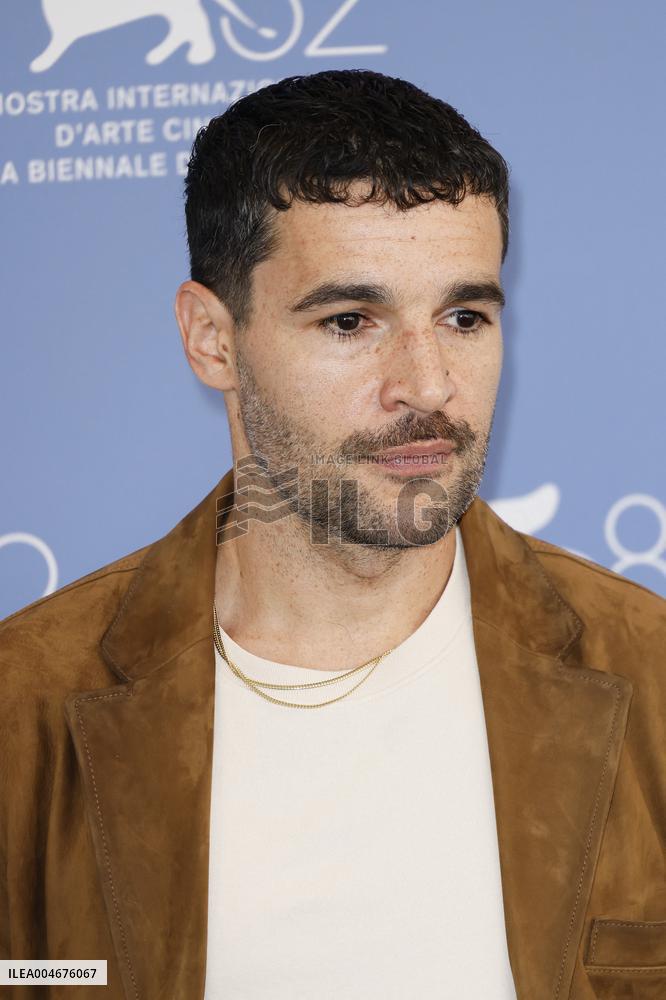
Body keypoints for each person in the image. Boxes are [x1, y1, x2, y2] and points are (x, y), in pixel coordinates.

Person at [1, 69, 664, 1000]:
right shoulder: (22, 706)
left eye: (464, 316)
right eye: (352, 320)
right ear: (212, 339)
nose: (428, 385)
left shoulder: (652, 671)